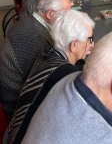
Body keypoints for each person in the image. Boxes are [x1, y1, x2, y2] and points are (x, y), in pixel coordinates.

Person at [7, 10, 95, 144]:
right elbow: (96, 110)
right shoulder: (67, 75)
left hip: (14, 132)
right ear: (74, 44)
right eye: (89, 39)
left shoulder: (48, 54)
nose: (92, 45)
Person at [0, 0, 71, 122]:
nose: (68, 19)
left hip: (16, 96)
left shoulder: (32, 21)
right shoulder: (36, 37)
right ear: (50, 14)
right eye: (66, 14)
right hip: (17, 109)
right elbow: (50, 82)